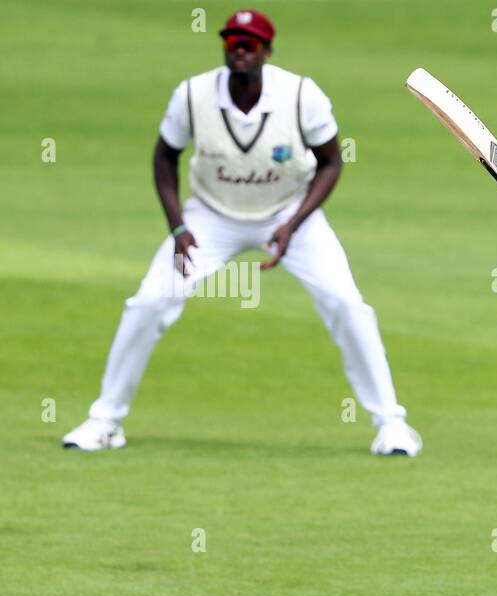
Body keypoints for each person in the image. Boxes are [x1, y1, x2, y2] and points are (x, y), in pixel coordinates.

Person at [62, 9, 421, 456]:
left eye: (250, 43)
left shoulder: (302, 96)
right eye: (233, 42)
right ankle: (104, 422)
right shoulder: (191, 94)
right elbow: (164, 158)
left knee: (345, 303)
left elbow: (331, 162)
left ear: (267, 51)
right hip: (210, 216)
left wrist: (293, 224)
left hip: (289, 213)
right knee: (150, 301)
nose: (240, 50)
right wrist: (178, 226)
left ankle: (391, 425)